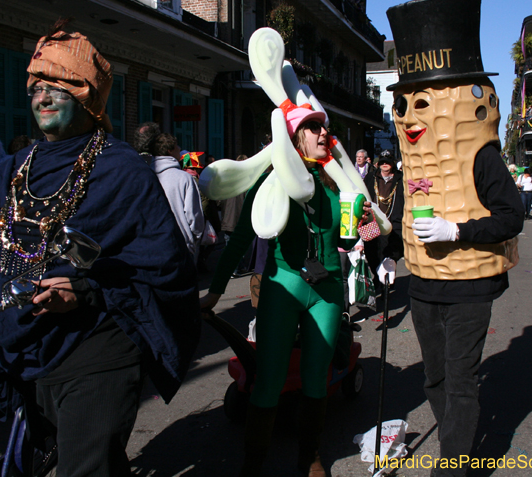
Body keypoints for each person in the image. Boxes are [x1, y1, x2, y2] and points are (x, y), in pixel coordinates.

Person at [0, 24, 200, 477]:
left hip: (98, 351)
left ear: (86, 98)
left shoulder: (122, 170)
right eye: (37, 87)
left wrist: (86, 291)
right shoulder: (14, 167)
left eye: (56, 88)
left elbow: (163, 268)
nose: (42, 97)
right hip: (26, 353)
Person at [386, 0, 523, 477]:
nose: (410, 112)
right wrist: (380, 241)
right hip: (423, 284)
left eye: (424, 99)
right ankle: (457, 443)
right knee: (435, 378)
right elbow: (404, 213)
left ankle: (454, 465)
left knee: (462, 379)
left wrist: (456, 230)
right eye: (404, 101)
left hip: (470, 287)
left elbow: (511, 217)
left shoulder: (483, 158)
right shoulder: (410, 162)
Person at [200, 117, 367, 477]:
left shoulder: (335, 179)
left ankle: (310, 456)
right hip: (282, 286)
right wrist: (214, 291)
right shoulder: (271, 179)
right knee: (270, 379)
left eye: (325, 127)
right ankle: (253, 462)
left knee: (314, 377)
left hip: (326, 291)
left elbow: (351, 241)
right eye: (312, 127)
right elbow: (242, 237)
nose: (324, 133)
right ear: (293, 137)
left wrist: (365, 220)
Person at [134, 125, 205, 259]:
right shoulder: (184, 178)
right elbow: (194, 216)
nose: (180, 149)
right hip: (180, 244)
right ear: (170, 150)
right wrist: (193, 239)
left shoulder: (144, 175)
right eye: (177, 146)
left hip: (150, 245)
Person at [363, 149, 404, 291]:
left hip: (393, 222)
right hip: (372, 221)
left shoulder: (401, 179)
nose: (385, 164)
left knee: (389, 253)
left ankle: (386, 282)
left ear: (392, 163)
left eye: (388, 162)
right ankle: (377, 275)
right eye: (382, 162)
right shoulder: (370, 178)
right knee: (371, 253)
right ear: (378, 164)